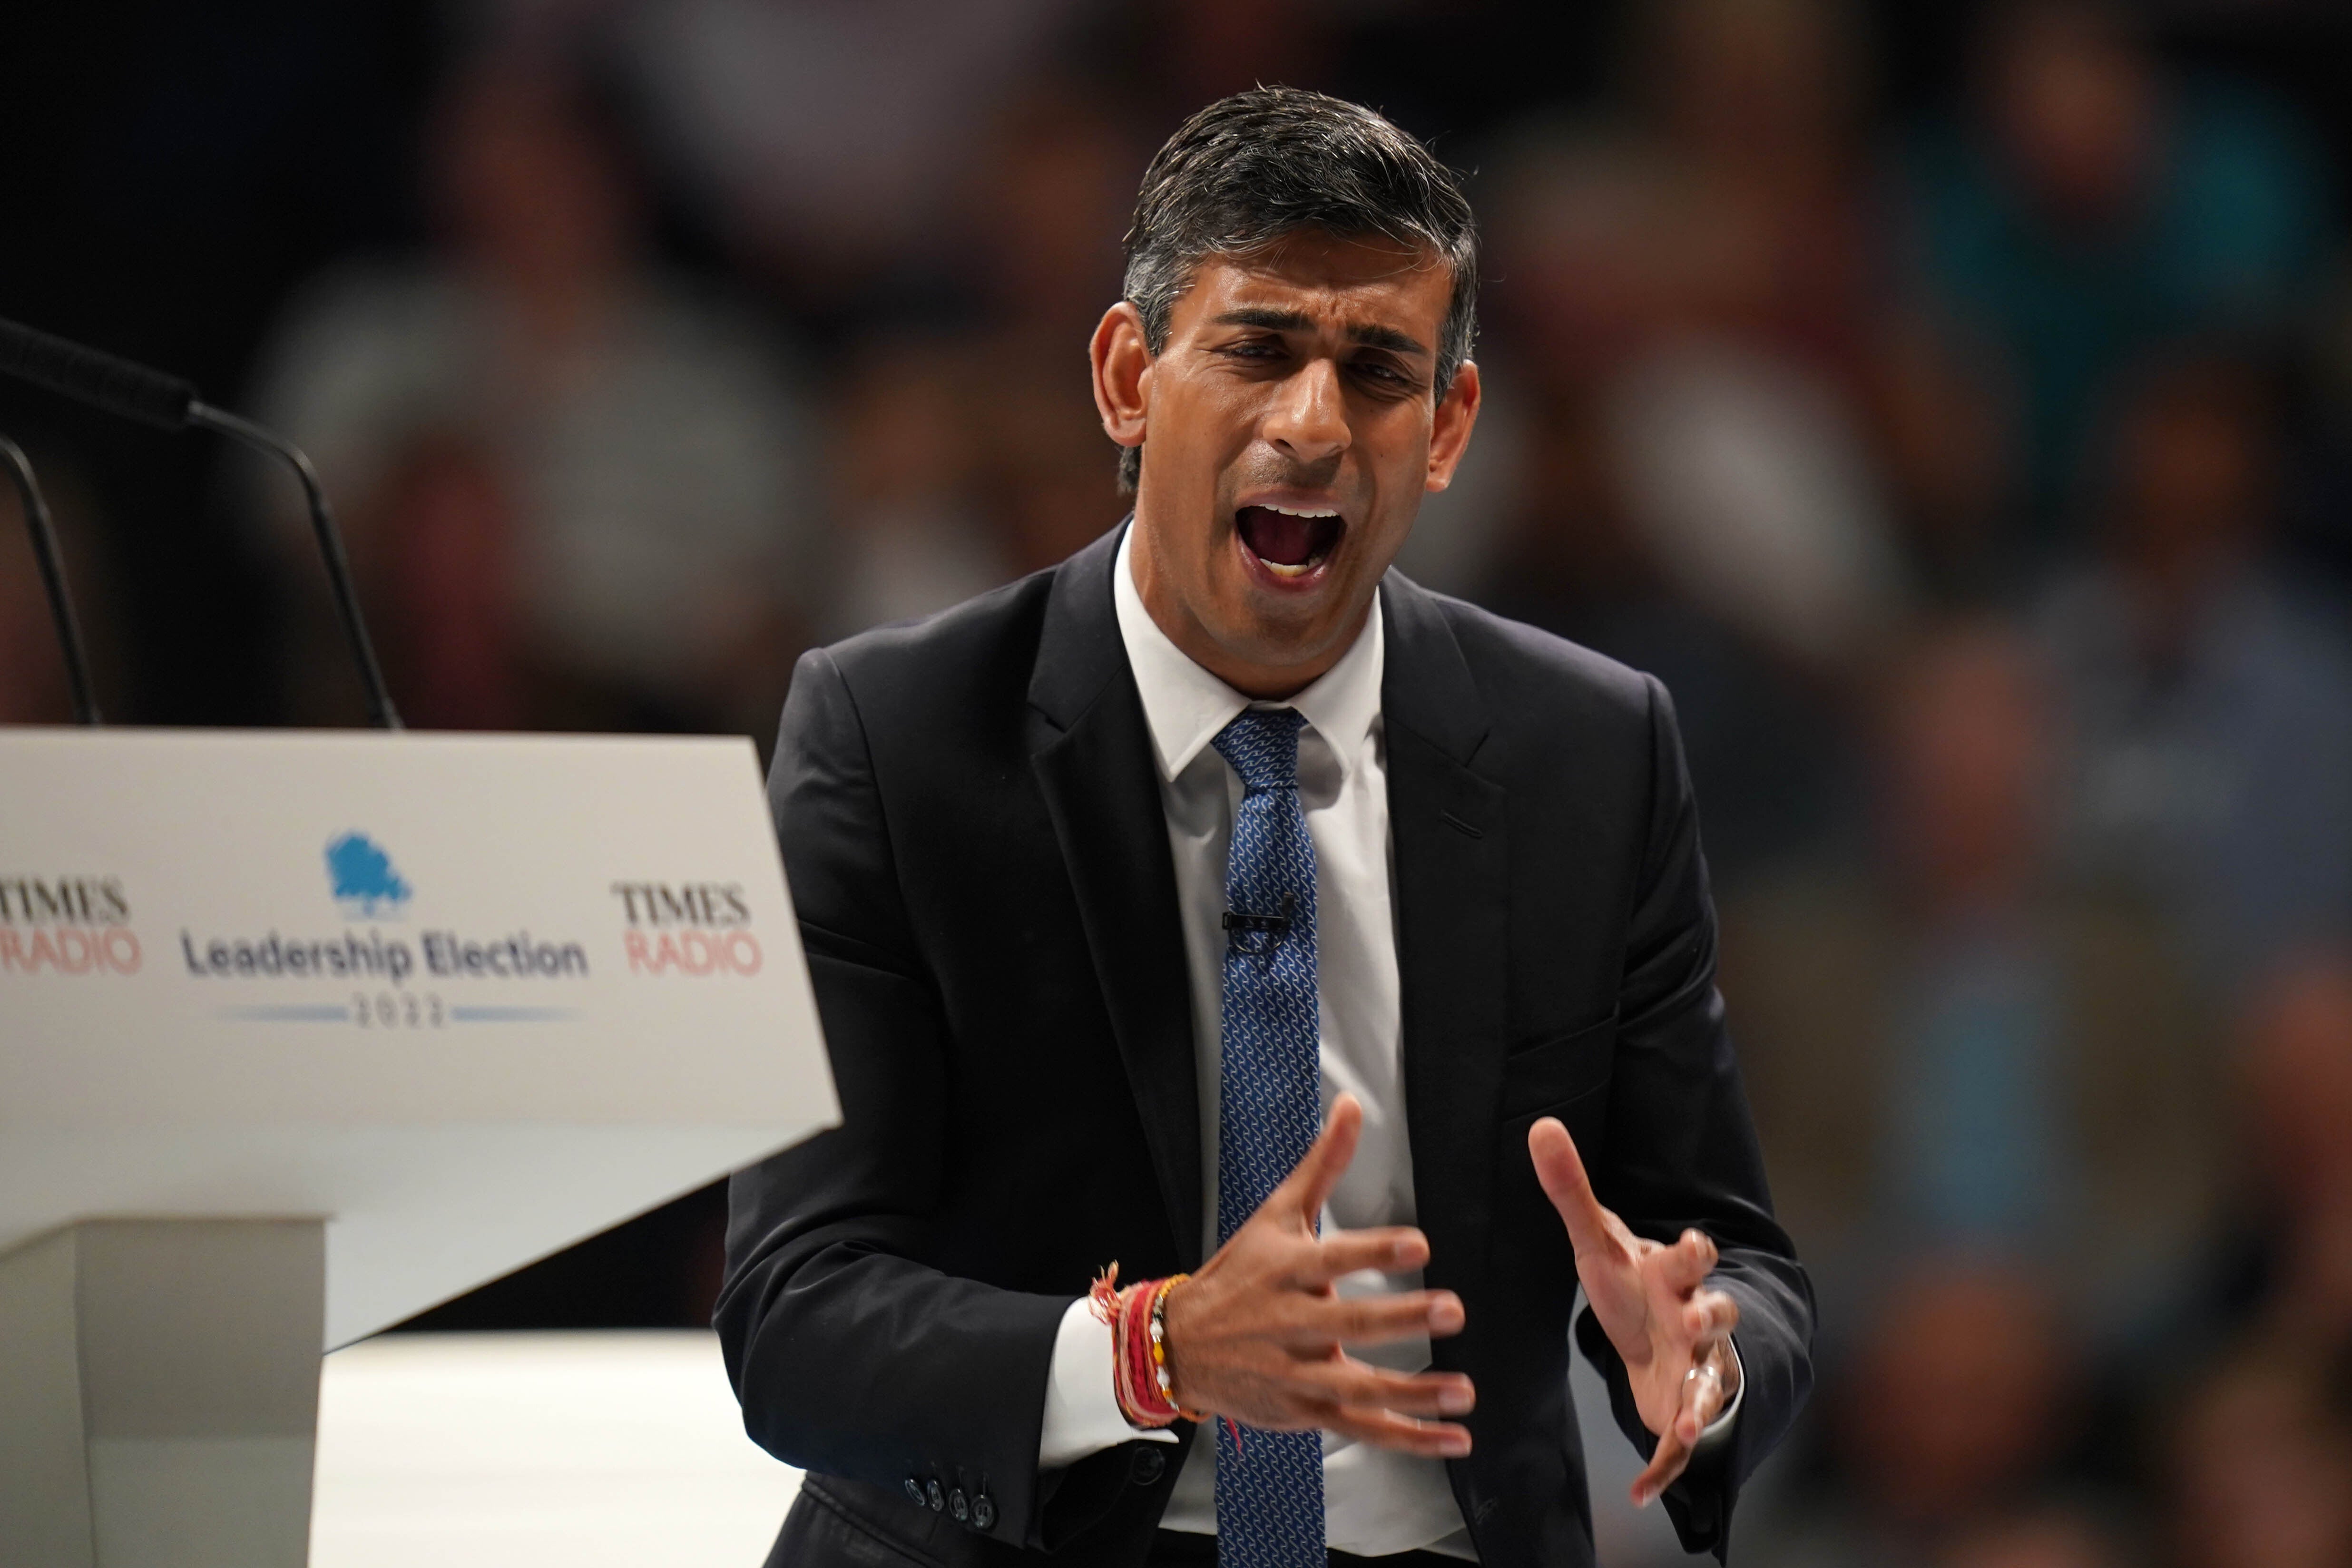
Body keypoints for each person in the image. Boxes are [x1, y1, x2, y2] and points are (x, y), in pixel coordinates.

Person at [717, 89, 1814, 1567]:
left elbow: (1734, 1254)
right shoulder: (896, 740)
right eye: (1256, 348)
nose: (1312, 423)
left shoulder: (1590, 753)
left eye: (1377, 370)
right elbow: (795, 1315)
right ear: (1127, 376)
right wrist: (1149, 1352)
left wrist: (1704, 1351)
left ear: (1449, 428)